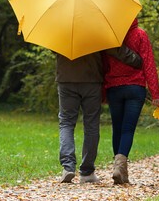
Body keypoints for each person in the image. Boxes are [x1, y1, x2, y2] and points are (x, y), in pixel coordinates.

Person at [56, 46, 142, 184]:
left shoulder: (60, 26)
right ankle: (87, 172)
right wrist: (136, 59)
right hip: (92, 79)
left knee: (66, 122)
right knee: (91, 124)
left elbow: (55, 49)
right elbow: (113, 49)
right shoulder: (96, 26)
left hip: (66, 78)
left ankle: (68, 167)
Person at [103, 18, 159, 185]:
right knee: (127, 129)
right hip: (135, 88)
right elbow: (148, 64)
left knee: (117, 129)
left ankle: (119, 170)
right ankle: (120, 169)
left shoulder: (110, 38)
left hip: (114, 88)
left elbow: (104, 66)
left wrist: (103, 91)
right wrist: (155, 93)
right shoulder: (140, 34)